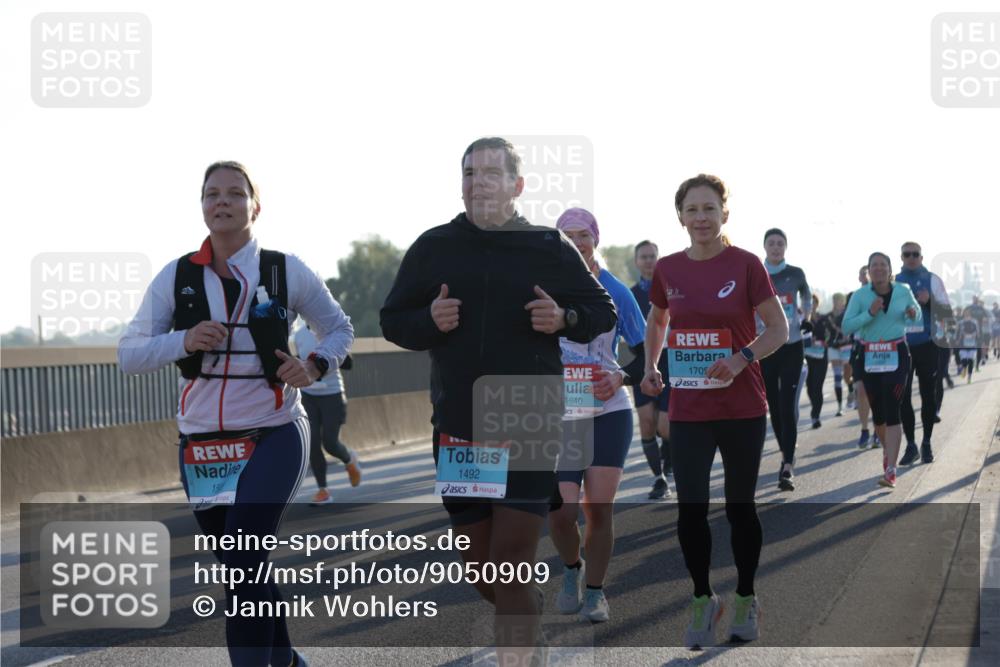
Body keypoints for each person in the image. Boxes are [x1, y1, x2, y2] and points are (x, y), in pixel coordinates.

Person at [380, 137, 616, 664]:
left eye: (490, 172)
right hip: (459, 423)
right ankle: (526, 613)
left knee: (509, 560)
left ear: (517, 185)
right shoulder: (433, 246)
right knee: (482, 571)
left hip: (526, 415)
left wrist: (564, 319)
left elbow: (602, 311)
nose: (477, 181)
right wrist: (427, 323)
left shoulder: (547, 246)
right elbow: (392, 320)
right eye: (469, 172)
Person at [119, 161, 354, 667]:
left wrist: (313, 365)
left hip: (273, 432)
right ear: (201, 206)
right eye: (211, 194)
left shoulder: (284, 270)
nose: (221, 202)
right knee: (241, 567)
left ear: (255, 206)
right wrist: (183, 339)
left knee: (245, 555)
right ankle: (287, 660)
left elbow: (339, 329)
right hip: (203, 443)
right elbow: (129, 353)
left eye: (233, 193)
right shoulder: (177, 275)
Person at [641, 174, 788, 648]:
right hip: (688, 408)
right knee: (690, 511)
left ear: (725, 213)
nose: (700, 218)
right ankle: (704, 598)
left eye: (709, 208)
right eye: (691, 209)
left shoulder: (745, 265)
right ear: (680, 216)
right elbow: (658, 320)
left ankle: (745, 596)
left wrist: (741, 357)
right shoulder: (667, 270)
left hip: (742, 405)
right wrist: (651, 365)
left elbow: (777, 328)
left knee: (740, 509)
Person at [548, 208, 646, 623]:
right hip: (562, 415)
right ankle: (572, 569)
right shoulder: (543, 291)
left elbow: (647, 356)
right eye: (566, 236)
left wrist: (621, 377)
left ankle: (595, 593)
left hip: (609, 411)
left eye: (582, 235)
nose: (576, 242)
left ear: (595, 239)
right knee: (561, 511)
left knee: (598, 509)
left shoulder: (617, 291)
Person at [841, 252, 921, 489]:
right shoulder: (860, 296)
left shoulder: (903, 290)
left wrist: (912, 313)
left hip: (897, 353)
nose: (878, 269)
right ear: (868, 270)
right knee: (879, 415)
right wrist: (869, 313)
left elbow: (916, 316)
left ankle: (891, 469)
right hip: (870, 356)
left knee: (893, 408)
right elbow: (847, 326)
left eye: (882, 265)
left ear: (889, 269)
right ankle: (888, 452)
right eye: (874, 265)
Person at [758, 228, 811, 491]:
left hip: (792, 344)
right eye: (772, 243)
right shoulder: (756, 272)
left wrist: (807, 318)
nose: (776, 247)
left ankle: (788, 465)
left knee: (788, 405)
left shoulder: (796, 273)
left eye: (780, 243)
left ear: (785, 247)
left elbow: (808, 297)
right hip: (766, 345)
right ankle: (785, 454)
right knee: (775, 408)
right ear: (765, 246)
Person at [292, 322, 363, 505]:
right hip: (309, 395)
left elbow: (349, 364)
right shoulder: (299, 334)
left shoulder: (330, 331)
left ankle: (349, 459)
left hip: (332, 394)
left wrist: (330, 351)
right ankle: (322, 490)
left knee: (330, 443)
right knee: (313, 442)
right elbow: (300, 360)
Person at [895, 242, 950, 465]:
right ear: (901, 257)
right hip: (902, 345)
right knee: (903, 398)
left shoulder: (932, 279)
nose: (911, 258)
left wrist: (929, 302)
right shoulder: (895, 281)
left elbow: (947, 312)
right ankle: (911, 445)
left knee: (928, 395)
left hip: (928, 344)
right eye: (907, 254)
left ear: (921, 256)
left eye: (915, 254)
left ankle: (926, 442)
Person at [631, 239, 672, 499]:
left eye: (652, 256)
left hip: (669, 360)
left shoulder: (671, 290)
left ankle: (670, 461)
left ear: (658, 259)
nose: (648, 260)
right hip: (640, 360)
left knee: (665, 426)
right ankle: (659, 479)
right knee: (647, 423)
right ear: (637, 261)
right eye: (643, 256)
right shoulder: (629, 293)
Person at [847, 266, 878, 448]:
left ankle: (877, 429)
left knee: (877, 392)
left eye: (868, 272)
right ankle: (865, 430)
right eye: (863, 272)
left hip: (880, 348)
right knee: (861, 390)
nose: (865, 275)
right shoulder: (854, 297)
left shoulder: (885, 293)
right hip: (859, 347)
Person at [804, 294, 831, 429]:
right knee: (810, 387)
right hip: (807, 357)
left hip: (821, 356)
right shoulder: (802, 319)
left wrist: (826, 341)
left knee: (817, 386)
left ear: (817, 304)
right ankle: (815, 407)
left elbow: (831, 333)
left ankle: (816, 416)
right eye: (809, 302)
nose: (812, 304)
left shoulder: (824, 319)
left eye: (814, 302)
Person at [826, 292, 850, 416]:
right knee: (837, 378)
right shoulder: (828, 316)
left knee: (847, 374)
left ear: (843, 302)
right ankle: (840, 406)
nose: (837, 302)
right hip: (833, 348)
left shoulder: (847, 315)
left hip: (846, 347)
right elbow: (824, 332)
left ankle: (851, 391)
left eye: (839, 300)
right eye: (835, 300)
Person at [956, 308, 979, 382]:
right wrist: (957, 340)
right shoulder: (960, 323)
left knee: (970, 361)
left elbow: (978, 333)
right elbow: (957, 332)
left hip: (972, 345)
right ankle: (964, 368)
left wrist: (973, 335)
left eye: (968, 314)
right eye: (965, 314)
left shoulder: (974, 323)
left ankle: (969, 377)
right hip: (963, 345)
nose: (967, 315)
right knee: (964, 361)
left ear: (970, 315)